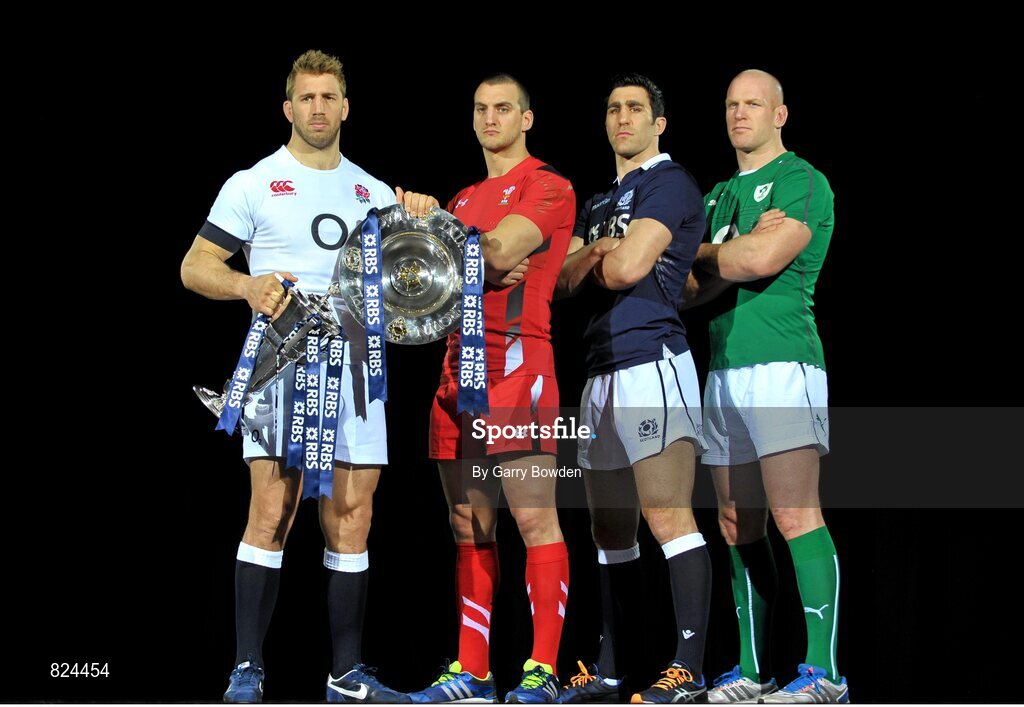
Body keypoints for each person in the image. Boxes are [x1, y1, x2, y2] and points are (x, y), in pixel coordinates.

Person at [180, 49, 409, 704]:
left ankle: (346, 675)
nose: (316, 108)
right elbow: (195, 266)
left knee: (354, 514)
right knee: (271, 508)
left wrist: (417, 217)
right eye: (305, 98)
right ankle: (246, 667)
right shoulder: (254, 182)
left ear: (345, 106)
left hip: (360, 367)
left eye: (327, 97)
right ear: (289, 107)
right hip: (282, 362)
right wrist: (247, 283)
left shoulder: (373, 191)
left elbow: (409, 281)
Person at [398, 74, 576, 704]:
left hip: (519, 368)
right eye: (481, 109)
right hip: (454, 371)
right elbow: (450, 270)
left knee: (533, 519)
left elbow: (500, 253)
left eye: (504, 108)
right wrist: (449, 230)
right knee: (467, 523)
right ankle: (472, 672)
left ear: (527, 118)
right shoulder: (466, 194)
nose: (491, 117)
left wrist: (453, 237)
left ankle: (543, 669)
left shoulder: (549, 185)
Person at [684, 69, 848, 704]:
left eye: (754, 103)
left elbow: (757, 262)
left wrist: (725, 250)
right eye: (731, 104)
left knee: (794, 513)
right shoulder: (721, 194)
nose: (740, 114)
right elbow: (688, 289)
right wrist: (725, 246)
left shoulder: (804, 180)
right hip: (721, 371)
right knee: (733, 520)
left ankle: (825, 673)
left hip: (784, 365)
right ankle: (753, 670)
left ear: (781, 114)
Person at [555, 73, 711, 704]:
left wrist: (595, 255)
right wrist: (598, 250)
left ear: (659, 122)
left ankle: (689, 669)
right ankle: (613, 670)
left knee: (667, 514)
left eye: (635, 109)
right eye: (614, 109)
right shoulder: (597, 202)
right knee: (610, 530)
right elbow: (562, 283)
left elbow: (622, 269)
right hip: (599, 371)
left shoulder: (668, 182)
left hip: (653, 362)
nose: (622, 118)